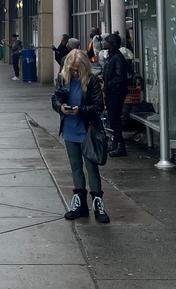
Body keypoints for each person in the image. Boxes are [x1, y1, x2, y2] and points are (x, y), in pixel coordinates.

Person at [52, 40, 109, 223]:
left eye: (77, 69)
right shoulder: (63, 78)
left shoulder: (91, 81)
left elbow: (98, 106)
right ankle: (80, 204)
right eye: (72, 69)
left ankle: (98, 203)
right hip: (70, 129)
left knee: (91, 167)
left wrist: (80, 110)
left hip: (87, 130)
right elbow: (56, 98)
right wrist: (61, 107)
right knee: (76, 167)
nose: (74, 72)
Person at [100, 33, 131, 156]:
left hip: (116, 93)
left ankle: (120, 146)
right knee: (112, 120)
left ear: (112, 43)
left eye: (107, 41)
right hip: (112, 92)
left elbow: (120, 77)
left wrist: (108, 84)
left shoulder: (117, 57)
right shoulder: (112, 56)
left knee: (115, 119)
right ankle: (115, 144)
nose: (104, 43)